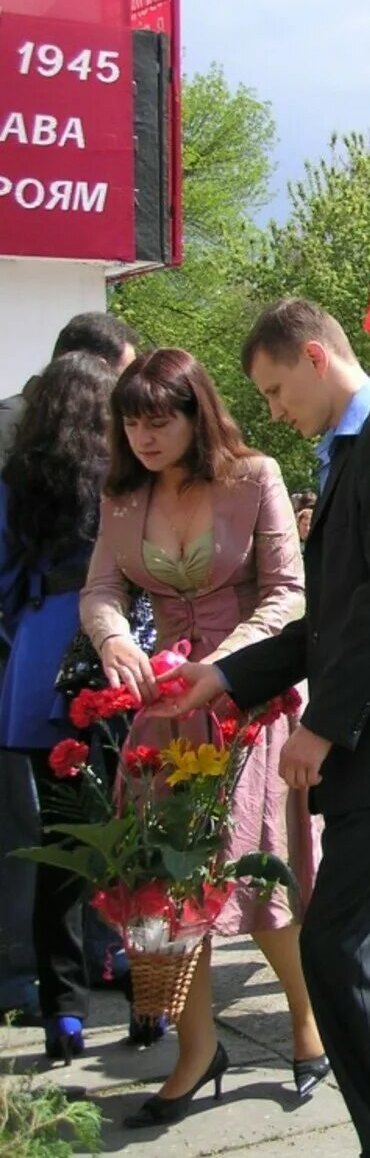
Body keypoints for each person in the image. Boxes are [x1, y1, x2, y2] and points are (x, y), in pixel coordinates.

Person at [158, 298, 370, 1158]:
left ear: (313, 356)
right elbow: (334, 620)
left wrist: (325, 727)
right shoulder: (358, 451)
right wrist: (225, 676)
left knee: (338, 948)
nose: (271, 410)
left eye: (272, 390)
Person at [78, 349, 326, 1122]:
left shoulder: (254, 476)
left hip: (252, 700)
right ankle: (196, 1047)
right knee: (167, 885)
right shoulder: (122, 495)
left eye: (161, 420)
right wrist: (115, 639)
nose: (144, 436)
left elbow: (289, 595)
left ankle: (307, 1020)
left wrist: (219, 668)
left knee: (251, 877)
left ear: (197, 415)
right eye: (132, 421)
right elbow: (99, 590)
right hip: (162, 708)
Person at [0, 354, 116, 1064]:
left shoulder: (18, 477)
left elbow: (4, 574)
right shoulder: (124, 473)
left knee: (64, 836)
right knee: (133, 815)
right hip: (118, 644)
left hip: (45, 649)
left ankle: (63, 1008)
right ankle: (146, 985)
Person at [0, 312, 140, 464]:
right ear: (94, 369)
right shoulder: (10, 421)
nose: (128, 387)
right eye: (124, 375)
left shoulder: (105, 426)